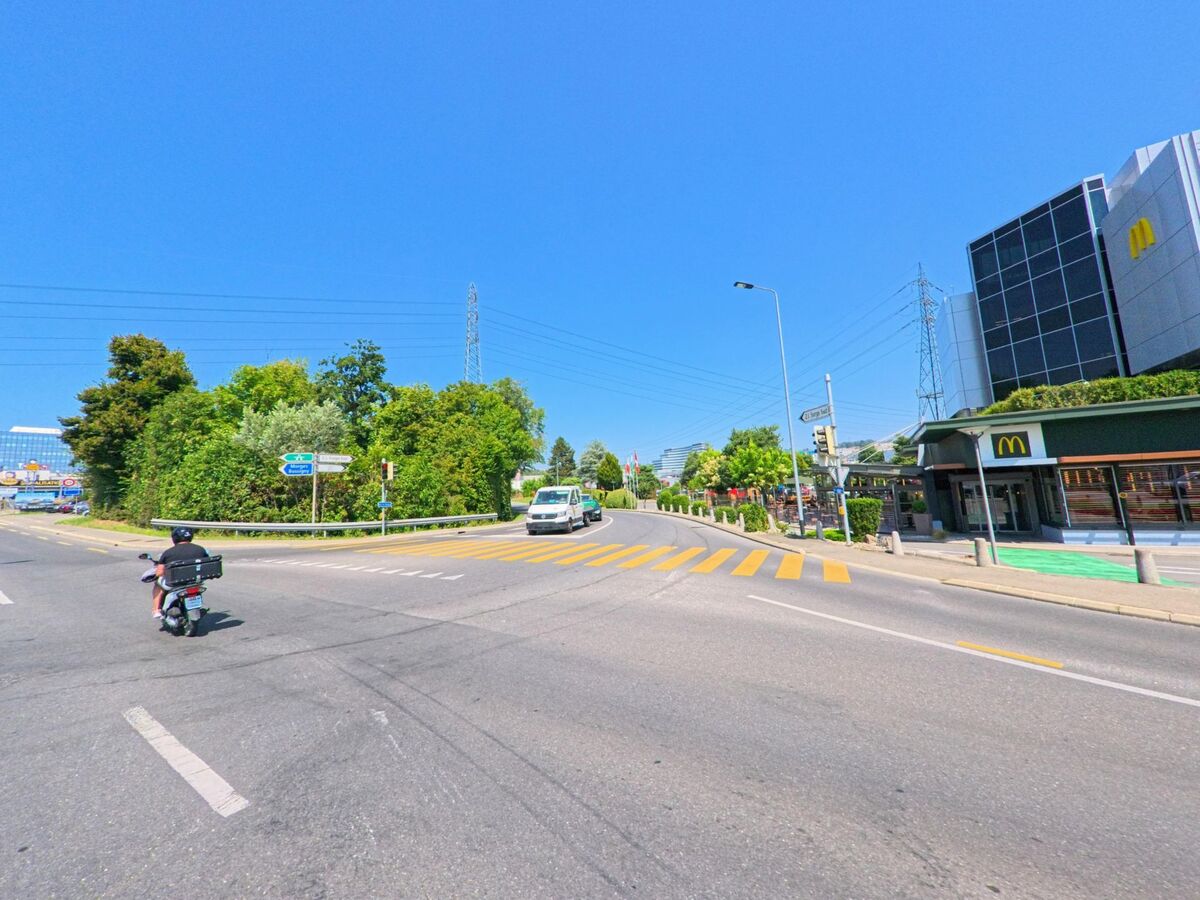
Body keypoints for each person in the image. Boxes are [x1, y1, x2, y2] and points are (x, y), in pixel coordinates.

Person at [152, 527, 209, 618]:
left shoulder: (168, 553)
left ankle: (156, 610)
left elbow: (159, 572)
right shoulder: (201, 549)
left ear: (174, 538)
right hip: (196, 580)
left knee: (158, 585)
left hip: (176, 582)